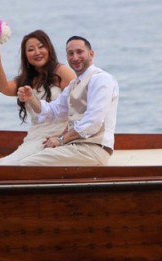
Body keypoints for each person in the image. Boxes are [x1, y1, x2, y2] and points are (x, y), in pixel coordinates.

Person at [16, 35, 119, 166]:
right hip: (74, 147)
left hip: (93, 149)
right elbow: (53, 111)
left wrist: (60, 139)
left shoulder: (101, 79)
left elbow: (93, 122)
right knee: (24, 160)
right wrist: (31, 98)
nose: (75, 57)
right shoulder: (73, 85)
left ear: (91, 54)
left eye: (79, 52)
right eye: (70, 54)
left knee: (24, 166)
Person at [0, 30, 76, 165]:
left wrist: (62, 137)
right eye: (31, 49)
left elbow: (78, 107)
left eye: (41, 47)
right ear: (25, 55)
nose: (37, 52)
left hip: (58, 136)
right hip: (36, 136)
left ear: (49, 48)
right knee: (1, 165)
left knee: (5, 165)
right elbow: (3, 87)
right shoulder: (26, 79)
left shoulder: (61, 71)